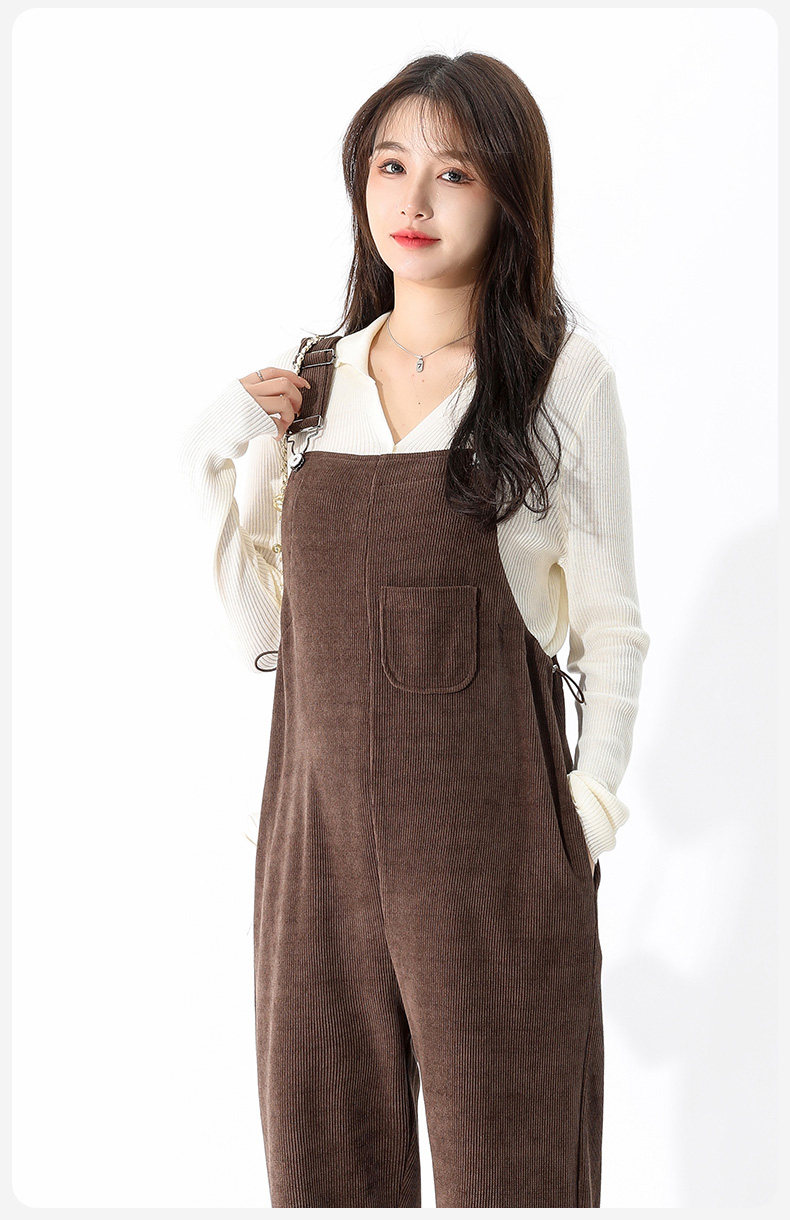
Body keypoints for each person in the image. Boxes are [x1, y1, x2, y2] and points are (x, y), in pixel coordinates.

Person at [179, 51, 650, 1209]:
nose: (415, 200)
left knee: (515, 1171)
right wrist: (210, 454)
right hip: (313, 851)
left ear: (507, 196)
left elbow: (609, 626)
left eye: (454, 172)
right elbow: (270, 630)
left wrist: (583, 813)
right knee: (324, 1174)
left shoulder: (556, 379)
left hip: (494, 852)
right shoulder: (313, 380)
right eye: (391, 166)